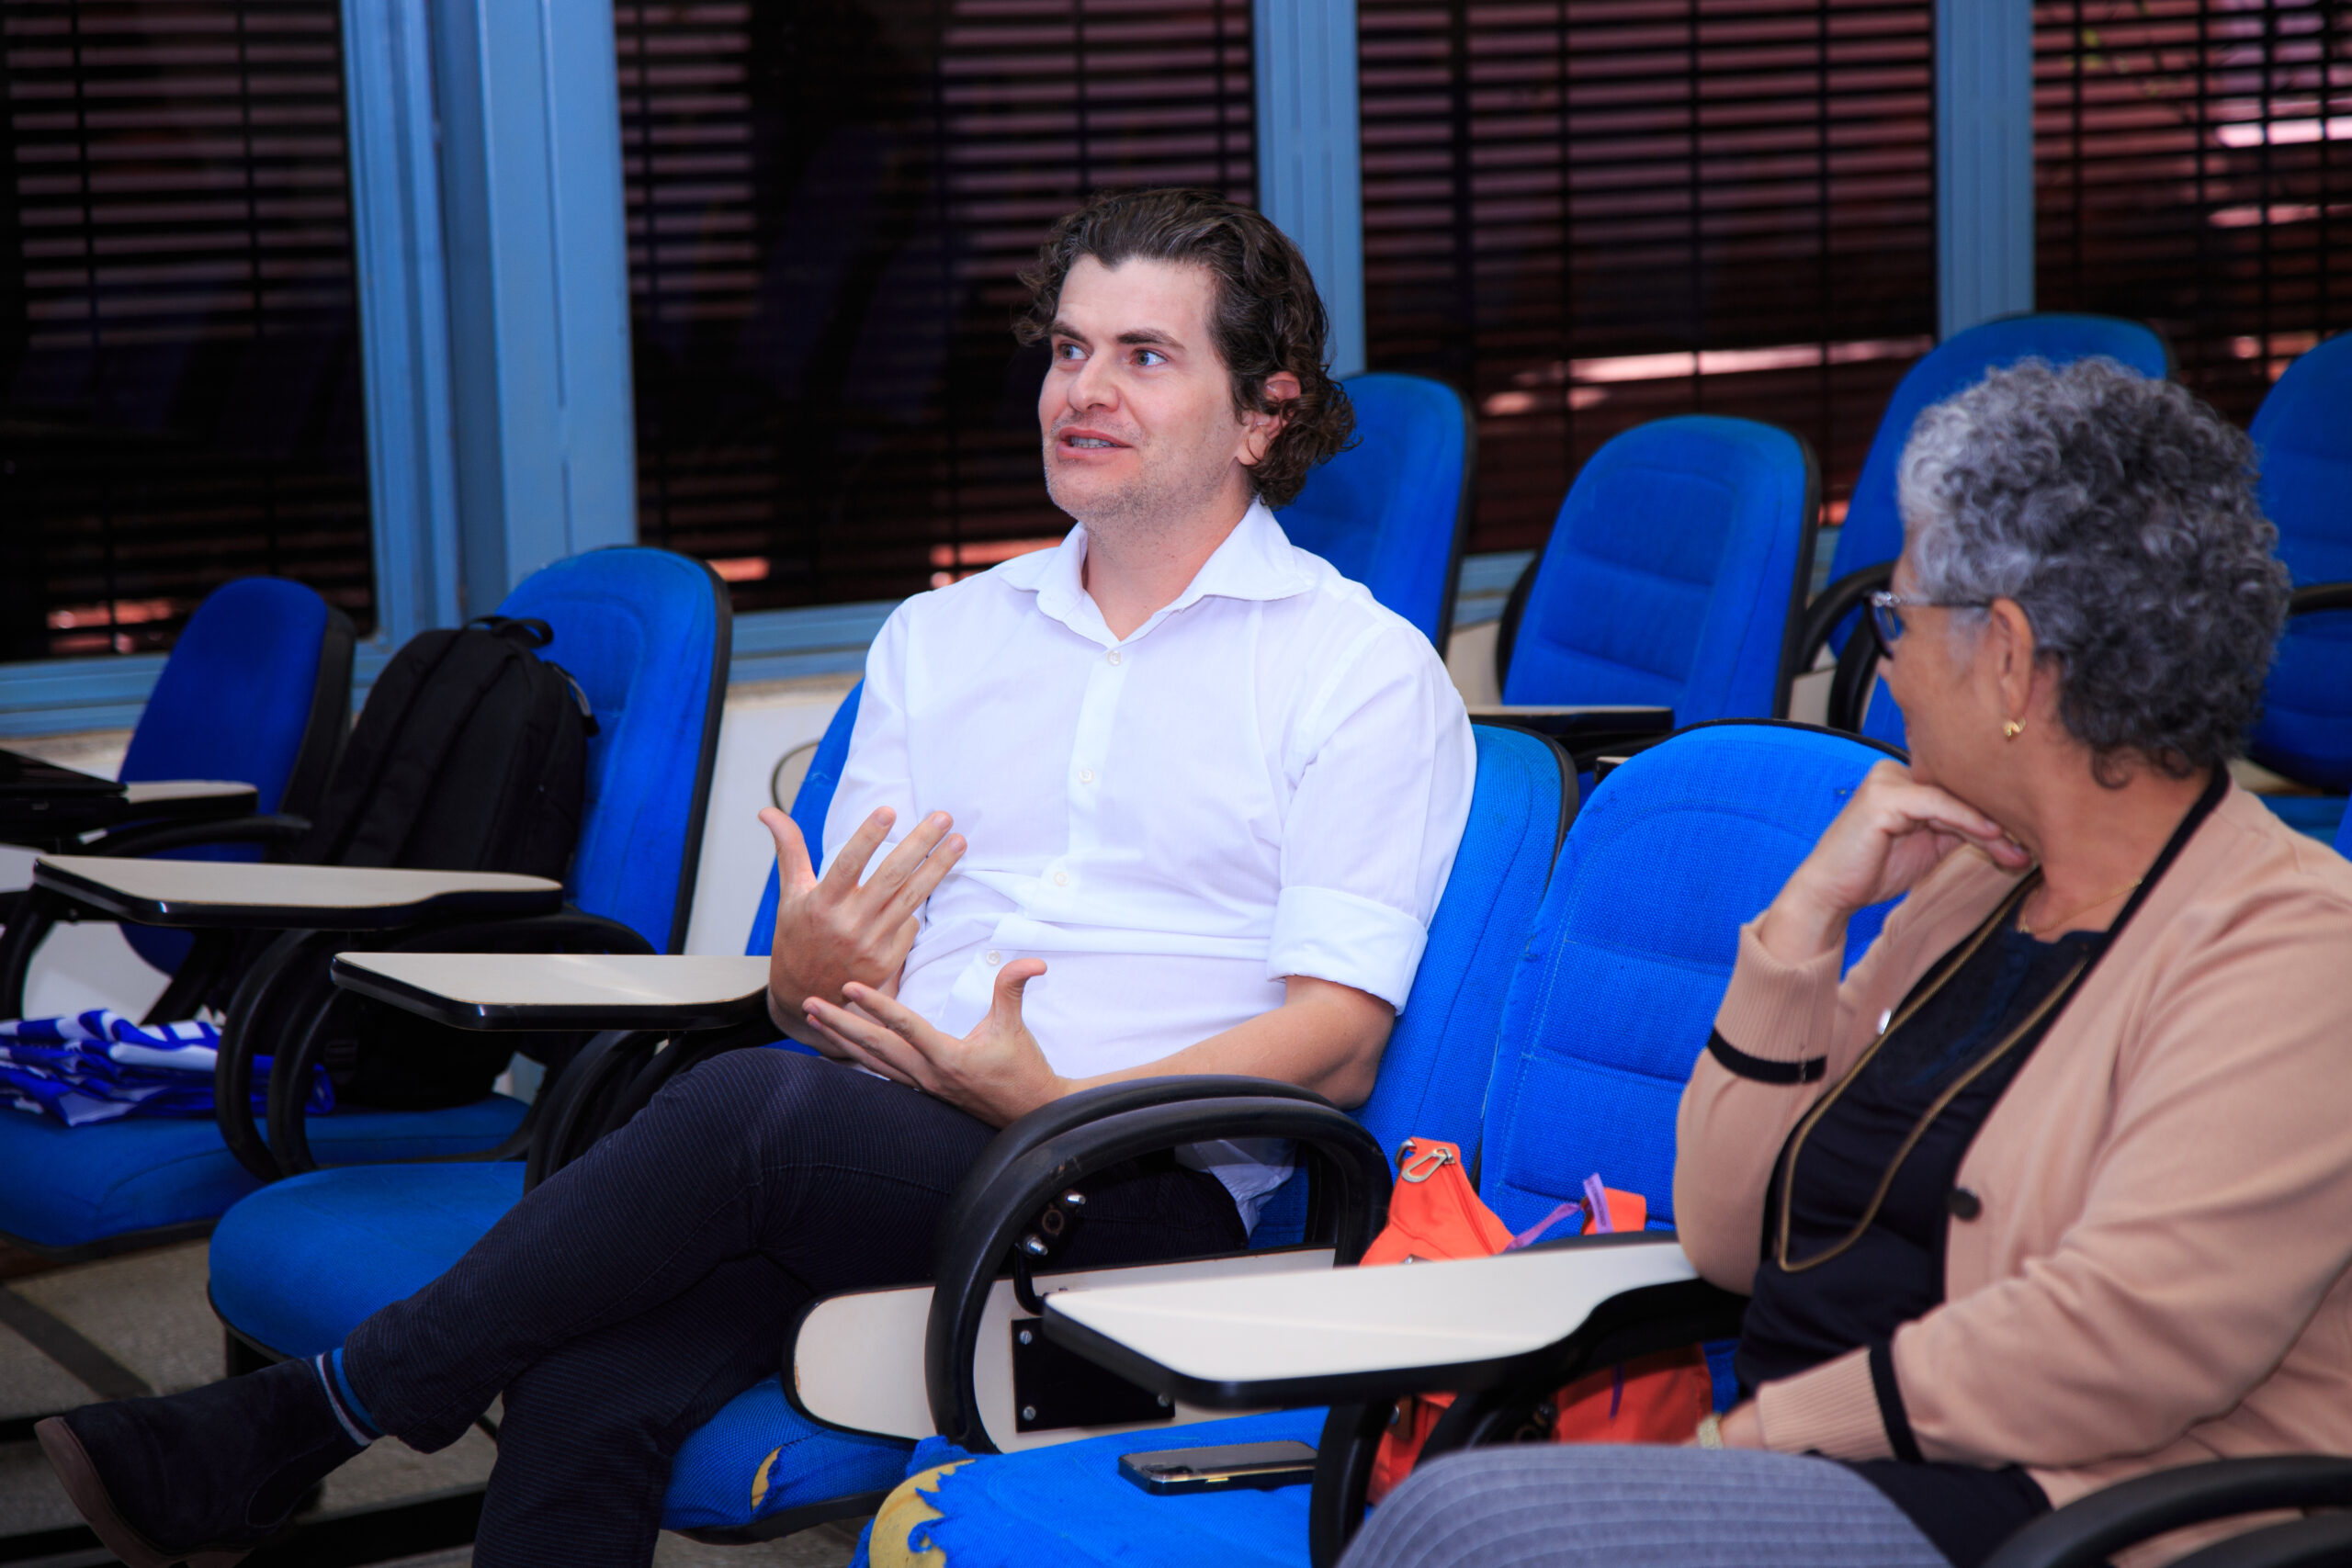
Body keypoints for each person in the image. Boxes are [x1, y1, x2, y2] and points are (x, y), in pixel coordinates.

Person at [38, 188, 1475, 1568]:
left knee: (748, 1104)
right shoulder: (944, 637)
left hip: (1133, 1184)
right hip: (880, 1146)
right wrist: (806, 978)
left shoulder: (1354, 669)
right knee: (586, 1381)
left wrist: (1052, 1100)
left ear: (1264, 411)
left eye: (1144, 356)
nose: (1081, 391)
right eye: (1066, 348)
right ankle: (281, 1438)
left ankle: (313, 1416)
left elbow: (1339, 1042)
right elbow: (818, 995)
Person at [1341, 359, 2352, 1568]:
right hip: (1846, 1472)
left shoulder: (2297, 951)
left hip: (2067, 1510)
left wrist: (1751, 1440)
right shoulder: (1974, 883)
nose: (1892, 665)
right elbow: (1729, 1233)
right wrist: (1806, 922)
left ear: (2009, 658)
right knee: (1460, 1518)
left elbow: (2117, 1343)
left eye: (1898, 621)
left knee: (1470, 1528)